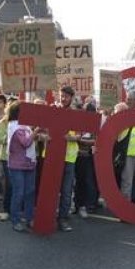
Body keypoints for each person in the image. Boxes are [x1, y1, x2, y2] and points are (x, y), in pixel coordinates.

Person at [7, 102, 39, 232]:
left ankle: (29, 218)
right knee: (18, 193)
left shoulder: (25, 125)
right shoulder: (14, 126)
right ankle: (15, 220)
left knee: (29, 192)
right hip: (17, 165)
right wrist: (36, 131)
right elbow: (26, 142)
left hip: (29, 164)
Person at [57, 86, 80, 232]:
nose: (62, 98)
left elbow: (79, 135)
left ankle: (63, 218)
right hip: (53, 157)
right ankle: (50, 215)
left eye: (65, 96)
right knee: (52, 190)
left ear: (71, 97)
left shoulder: (76, 114)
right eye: (61, 96)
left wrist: (71, 138)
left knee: (66, 191)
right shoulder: (53, 110)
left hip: (69, 158)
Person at [75, 103, 99, 218]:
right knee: (78, 182)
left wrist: (82, 141)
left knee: (87, 181)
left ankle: (86, 205)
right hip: (77, 156)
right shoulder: (79, 124)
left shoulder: (94, 126)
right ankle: (77, 205)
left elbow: (95, 141)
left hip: (88, 157)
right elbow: (75, 137)